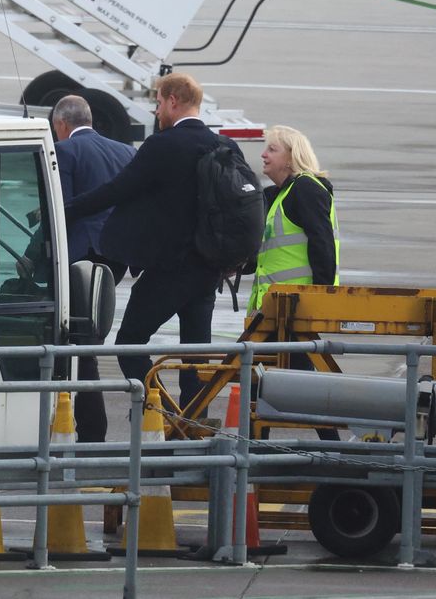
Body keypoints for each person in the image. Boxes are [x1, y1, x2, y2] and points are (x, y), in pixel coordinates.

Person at [64, 72, 242, 411]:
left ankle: (160, 414)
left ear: (173, 101)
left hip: (171, 268)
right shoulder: (225, 146)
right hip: (209, 271)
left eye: (159, 103)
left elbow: (117, 190)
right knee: (195, 354)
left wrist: (65, 208)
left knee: (129, 342)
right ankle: (191, 424)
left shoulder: (164, 145)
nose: (157, 112)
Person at [51, 94, 136, 442]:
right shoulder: (125, 152)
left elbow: (62, 211)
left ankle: (90, 431)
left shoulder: (66, 151)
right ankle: (85, 428)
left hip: (81, 256)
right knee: (90, 337)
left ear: (60, 124)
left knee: (80, 344)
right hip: (116, 257)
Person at [248, 124, 340, 441]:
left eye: (272, 149)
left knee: (286, 384)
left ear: (291, 158)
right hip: (275, 309)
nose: (263, 154)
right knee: (260, 382)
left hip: (295, 310)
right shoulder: (281, 195)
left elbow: (323, 246)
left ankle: (335, 452)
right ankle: (252, 449)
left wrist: (320, 298)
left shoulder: (306, 189)